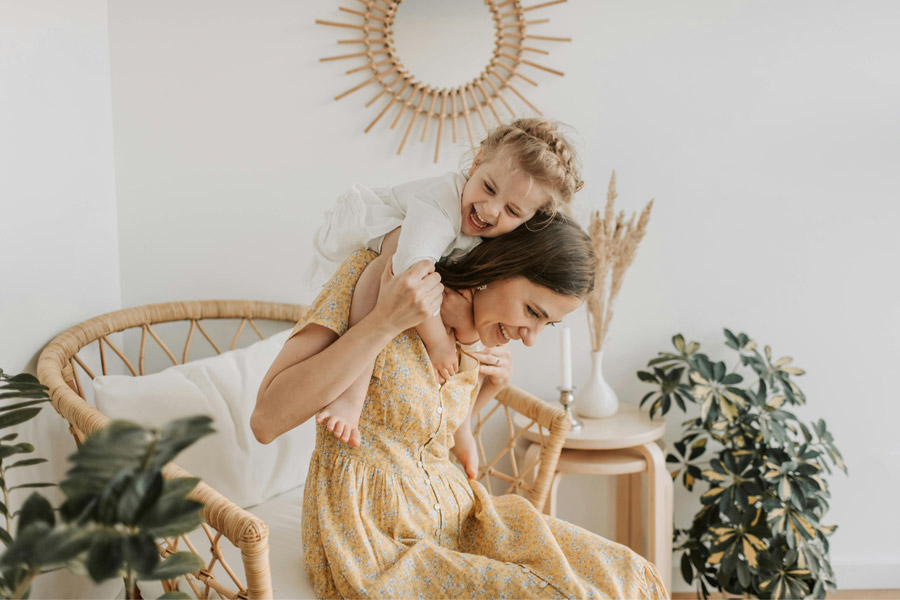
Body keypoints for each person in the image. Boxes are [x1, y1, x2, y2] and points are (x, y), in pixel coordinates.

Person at [252, 215, 667, 599]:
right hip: (375, 538)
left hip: (460, 516)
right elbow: (267, 420)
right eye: (531, 312)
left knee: (625, 574)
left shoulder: (475, 333)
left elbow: (437, 435)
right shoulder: (378, 277)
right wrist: (382, 322)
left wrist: (487, 387)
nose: (531, 338)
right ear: (498, 267)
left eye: (547, 324)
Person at [310, 118, 583, 448]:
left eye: (511, 209)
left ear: (528, 222)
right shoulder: (441, 203)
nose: (490, 209)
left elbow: (466, 320)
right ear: (477, 161)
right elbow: (411, 271)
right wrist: (438, 342)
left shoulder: (492, 243)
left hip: (413, 258)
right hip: (369, 230)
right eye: (488, 187)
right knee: (395, 267)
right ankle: (351, 393)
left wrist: (474, 350)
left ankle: (459, 428)